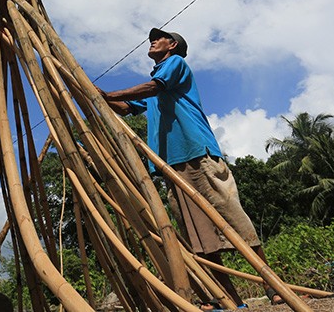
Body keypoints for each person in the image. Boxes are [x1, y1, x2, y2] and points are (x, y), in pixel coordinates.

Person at [98, 27, 282, 310]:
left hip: (197, 153)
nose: (153, 41)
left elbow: (153, 87)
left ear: (172, 45)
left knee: (230, 214)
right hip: (171, 165)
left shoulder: (174, 65)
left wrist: (110, 92)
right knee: (199, 236)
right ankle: (229, 300)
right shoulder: (154, 89)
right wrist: (96, 95)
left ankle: (272, 285)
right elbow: (125, 107)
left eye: (158, 38)